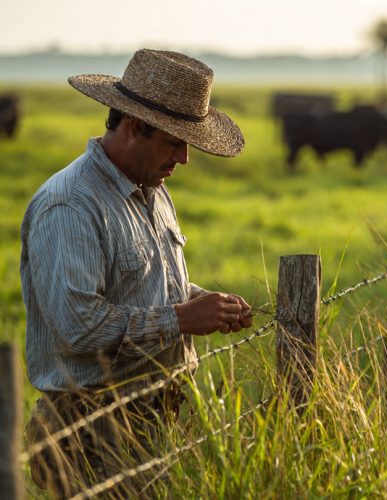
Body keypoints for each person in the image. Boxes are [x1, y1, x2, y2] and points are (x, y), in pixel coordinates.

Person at [19, 48, 253, 497]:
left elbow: (143, 284)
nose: (184, 158)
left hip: (156, 416)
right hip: (91, 432)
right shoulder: (71, 205)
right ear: (132, 126)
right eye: (174, 142)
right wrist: (183, 318)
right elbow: (78, 328)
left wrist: (206, 303)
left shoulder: (153, 187)